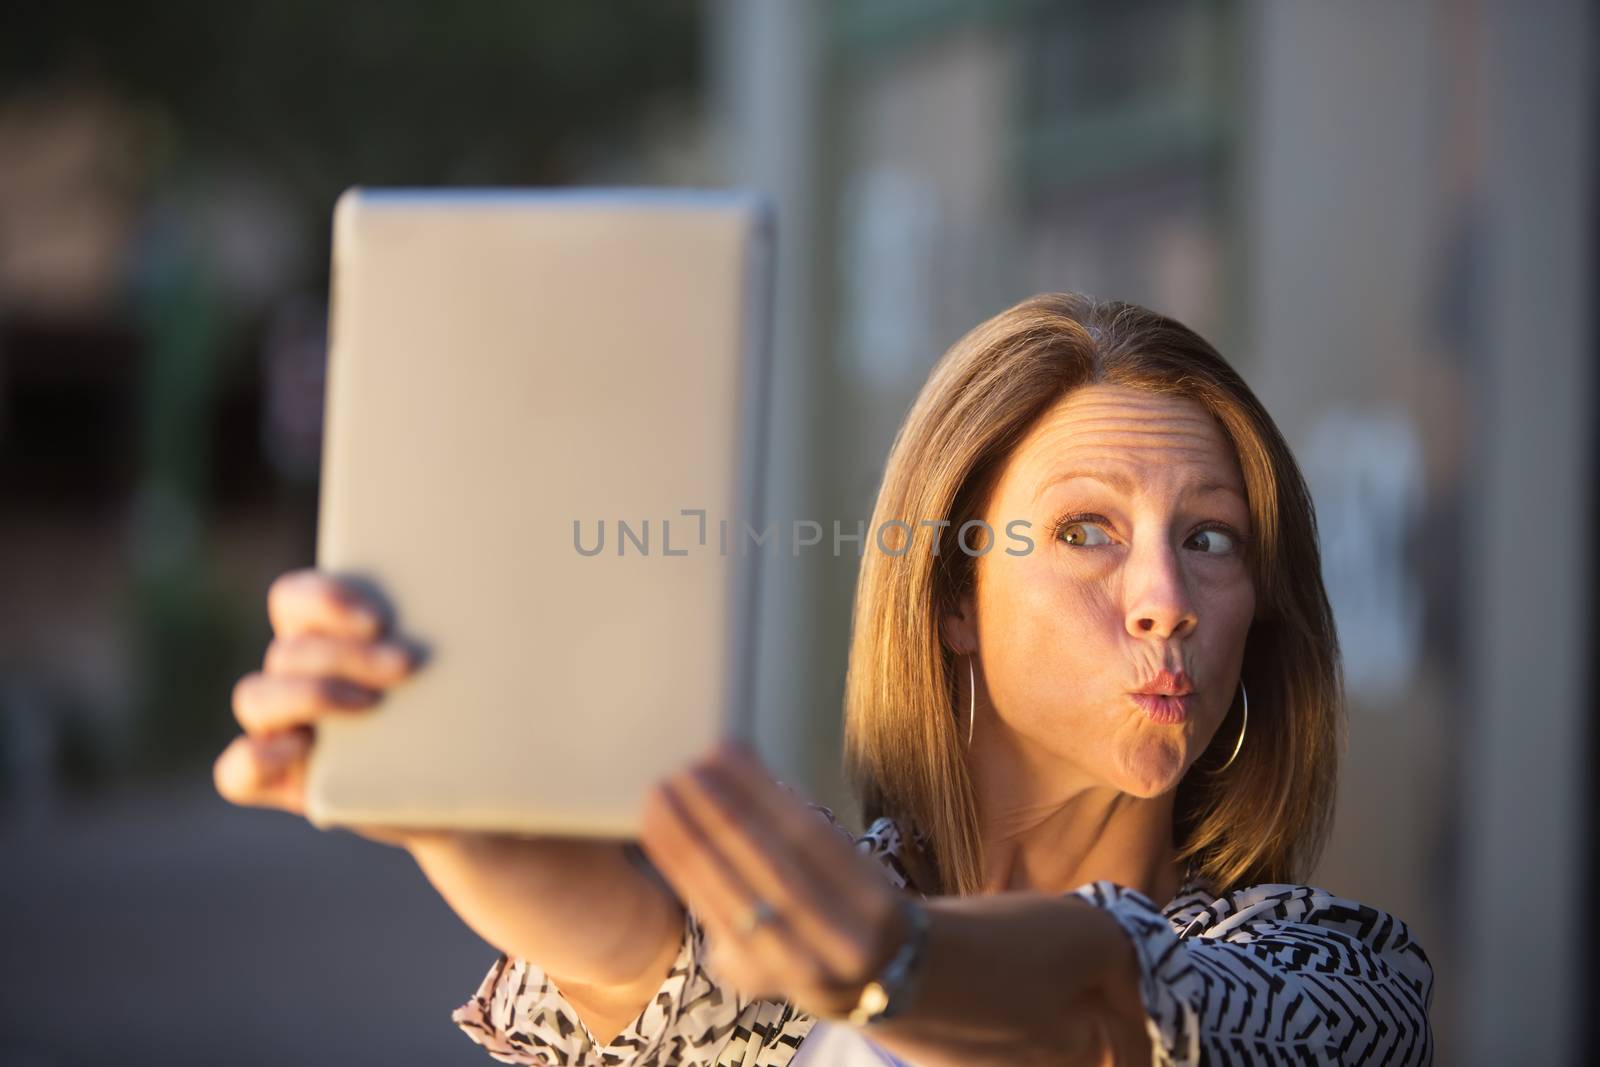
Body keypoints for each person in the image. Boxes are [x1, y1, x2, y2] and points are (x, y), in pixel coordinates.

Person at [216, 292, 1435, 1066]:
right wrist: (423, 773)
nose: (1164, 591)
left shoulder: (1327, 975)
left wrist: (886, 959)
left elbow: (1107, 996)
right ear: (953, 598)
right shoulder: (810, 929)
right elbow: (610, 938)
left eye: (1209, 536)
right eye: (1087, 531)